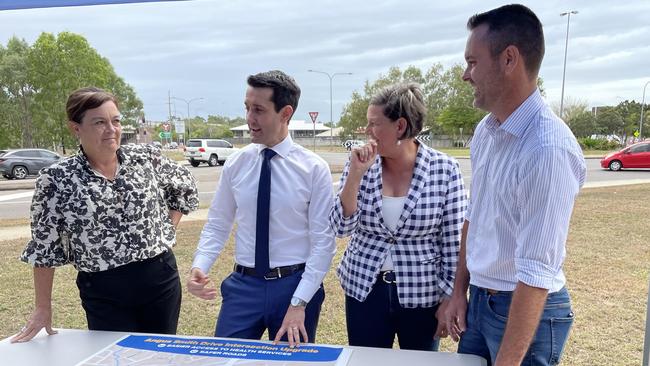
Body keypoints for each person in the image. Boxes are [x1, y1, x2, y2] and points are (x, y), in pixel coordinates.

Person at [441, 4, 587, 365]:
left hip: (525, 309)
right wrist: (460, 291)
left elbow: (537, 274)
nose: (465, 74)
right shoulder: (486, 131)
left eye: (473, 62)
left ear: (509, 59)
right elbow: (473, 218)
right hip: (480, 300)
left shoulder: (547, 148)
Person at [11, 87, 199, 343]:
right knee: (116, 357)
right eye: (100, 122)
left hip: (160, 280)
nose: (111, 129)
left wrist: (166, 228)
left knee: (160, 354)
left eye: (116, 121)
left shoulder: (146, 159)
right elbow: (45, 246)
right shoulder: (56, 179)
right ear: (75, 128)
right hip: (104, 290)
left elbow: (184, 189)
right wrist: (43, 307)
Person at [187, 70, 336, 348]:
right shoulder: (236, 164)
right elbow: (218, 223)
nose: (249, 119)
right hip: (244, 288)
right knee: (226, 358)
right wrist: (200, 265)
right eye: (247, 108)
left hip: (294, 285)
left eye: (259, 110)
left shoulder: (314, 169)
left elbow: (323, 243)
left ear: (285, 113)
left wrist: (299, 301)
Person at [330, 82, 467, 351]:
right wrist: (356, 174)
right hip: (364, 289)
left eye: (373, 124)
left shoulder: (445, 169)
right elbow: (340, 226)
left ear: (400, 126)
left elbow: (453, 242)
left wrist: (449, 297)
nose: (367, 131)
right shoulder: (361, 163)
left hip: (422, 293)